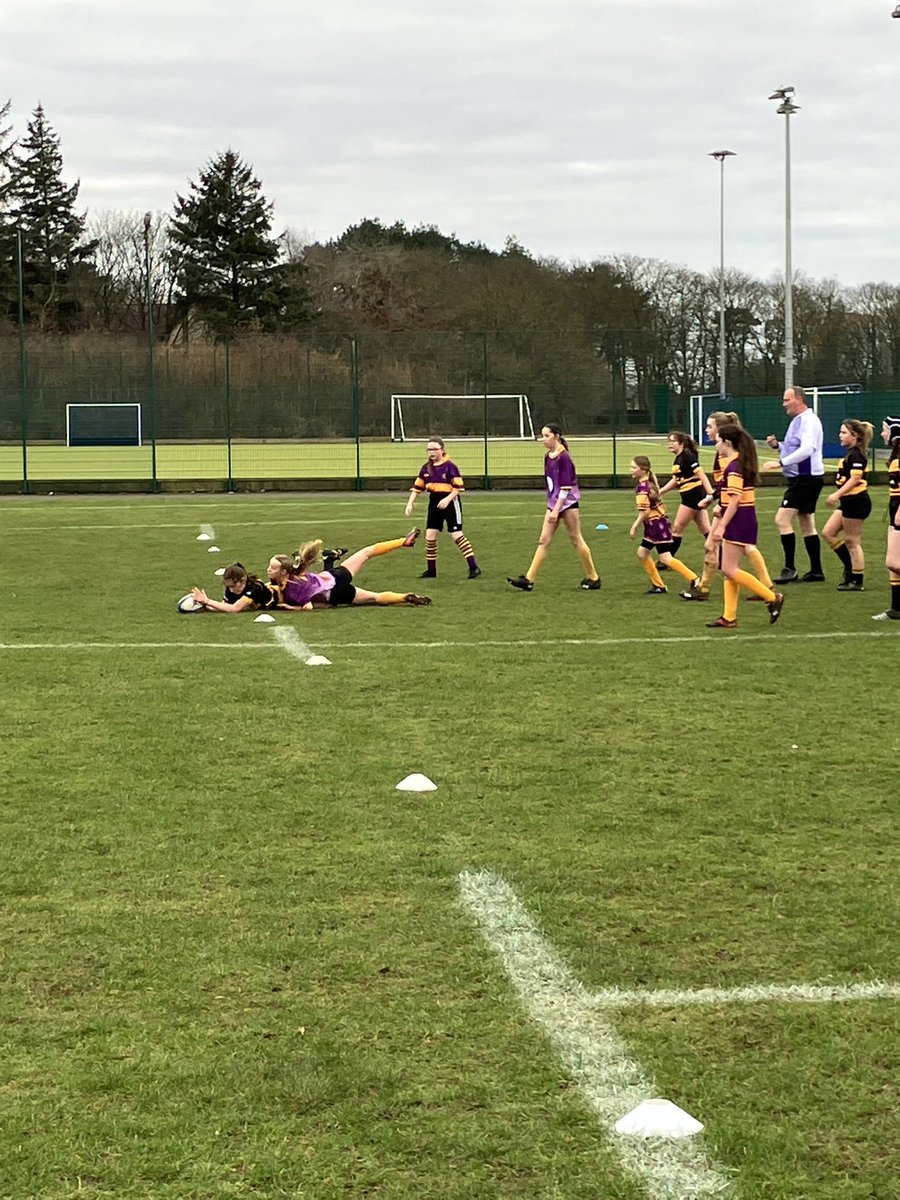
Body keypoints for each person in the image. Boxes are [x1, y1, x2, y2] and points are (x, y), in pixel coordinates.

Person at [680, 411, 774, 602]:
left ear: (720, 430)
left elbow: (732, 487)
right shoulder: (725, 452)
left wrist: (720, 506)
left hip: (733, 508)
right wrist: (712, 497)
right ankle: (761, 587)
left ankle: (766, 591)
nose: (707, 430)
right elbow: (725, 485)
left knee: (720, 551)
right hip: (732, 505)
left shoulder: (727, 457)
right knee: (736, 550)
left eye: (709, 426)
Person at [707, 423, 785, 628]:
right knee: (729, 570)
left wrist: (722, 524)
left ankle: (772, 597)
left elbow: (735, 499)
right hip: (741, 517)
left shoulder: (734, 466)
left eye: (718, 441)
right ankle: (729, 616)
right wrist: (721, 508)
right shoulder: (739, 463)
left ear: (728, 442)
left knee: (730, 569)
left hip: (738, 520)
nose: (716, 445)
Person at [507, 424, 601, 591]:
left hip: (568, 503)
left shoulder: (564, 457)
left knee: (576, 538)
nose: (543, 439)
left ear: (556, 436)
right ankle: (529, 580)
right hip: (554, 504)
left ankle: (593, 577)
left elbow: (566, 487)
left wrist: (556, 510)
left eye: (546, 436)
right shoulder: (548, 456)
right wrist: (552, 506)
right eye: (542, 436)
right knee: (544, 540)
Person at [271, 529, 433, 609]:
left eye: (272, 568)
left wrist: (291, 607)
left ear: (283, 572)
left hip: (336, 593)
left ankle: (404, 597)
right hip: (335, 575)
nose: (268, 570)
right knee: (367, 552)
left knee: (375, 598)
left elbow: (308, 607)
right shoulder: (296, 572)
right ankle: (403, 542)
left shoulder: (292, 589)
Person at [762, 385, 826, 583]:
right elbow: (795, 448)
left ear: (799, 399)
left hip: (806, 478)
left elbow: (808, 449)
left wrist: (780, 463)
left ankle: (790, 568)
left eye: (786, 400)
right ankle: (816, 571)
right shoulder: (798, 421)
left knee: (782, 519)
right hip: (803, 478)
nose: (784, 404)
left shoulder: (809, 421)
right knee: (806, 522)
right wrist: (778, 447)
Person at [405, 437, 480, 579]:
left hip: (451, 502)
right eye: (429, 449)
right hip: (434, 503)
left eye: (434, 449)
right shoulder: (426, 468)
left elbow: (458, 488)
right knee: (430, 536)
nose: (431, 452)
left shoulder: (450, 466)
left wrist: (447, 499)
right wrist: (410, 503)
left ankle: (473, 567)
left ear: (442, 450)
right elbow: (417, 487)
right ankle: (431, 571)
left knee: (456, 535)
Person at [628, 457, 700, 593]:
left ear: (643, 470)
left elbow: (645, 512)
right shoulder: (650, 484)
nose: (630, 470)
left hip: (656, 525)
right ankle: (659, 585)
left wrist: (634, 526)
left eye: (633, 467)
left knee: (665, 557)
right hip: (656, 524)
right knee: (642, 553)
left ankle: (694, 579)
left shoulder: (643, 488)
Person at [822, 420, 873, 592]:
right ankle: (849, 567)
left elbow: (855, 478)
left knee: (852, 540)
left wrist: (836, 494)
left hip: (857, 501)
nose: (840, 435)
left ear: (855, 436)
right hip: (848, 502)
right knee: (828, 533)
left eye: (844, 432)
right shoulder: (850, 453)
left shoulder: (857, 455)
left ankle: (857, 579)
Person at [657, 430, 715, 555]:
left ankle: (667, 560)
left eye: (673, 441)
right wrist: (661, 492)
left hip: (692, 496)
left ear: (681, 443)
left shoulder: (687, 456)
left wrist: (711, 493)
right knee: (705, 528)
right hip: (693, 496)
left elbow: (701, 474)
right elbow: (676, 480)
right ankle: (721, 556)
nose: (670, 444)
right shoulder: (678, 459)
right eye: (669, 441)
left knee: (677, 528)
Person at [872, 414, 900, 621]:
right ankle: (896, 609)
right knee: (893, 564)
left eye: (885, 429)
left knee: (893, 562)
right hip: (894, 509)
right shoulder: (895, 456)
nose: (882, 433)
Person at [190, 562, 283, 613]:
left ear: (243, 580)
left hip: (282, 597)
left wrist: (208, 601)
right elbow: (225, 606)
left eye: (233, 586)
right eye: (229, 586)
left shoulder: (254, 588)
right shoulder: (231, 589)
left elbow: (234, 608)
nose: (231, 590)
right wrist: (203, 606)